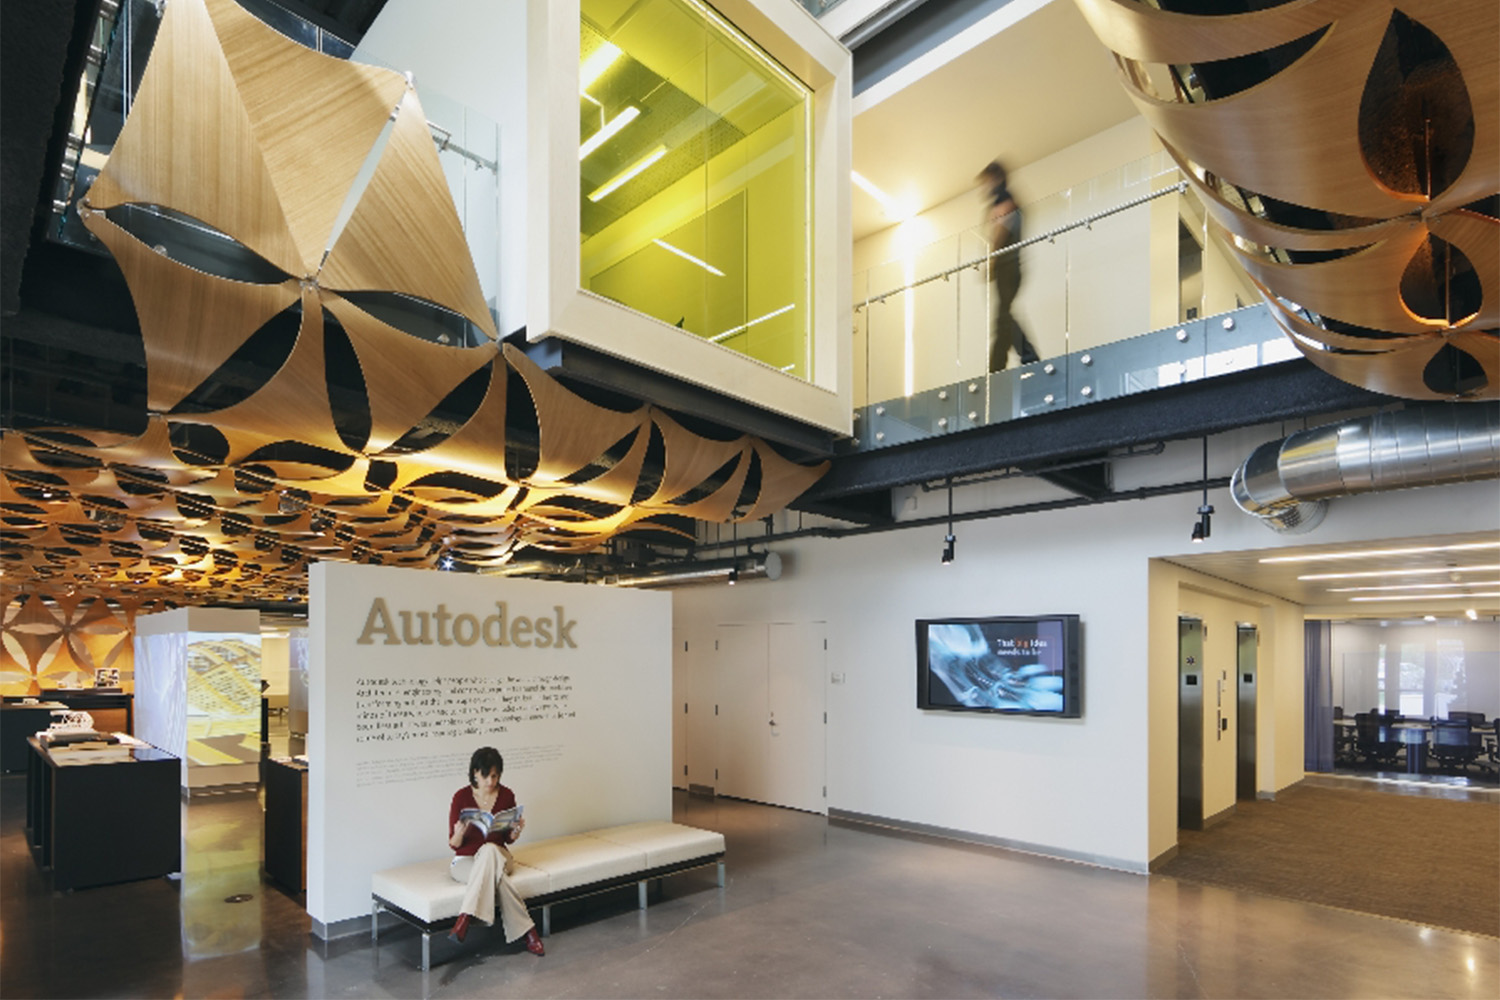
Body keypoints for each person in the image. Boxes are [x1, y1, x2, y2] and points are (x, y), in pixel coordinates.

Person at [446, 747, 545, 955]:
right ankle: (529, 932)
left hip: (499, 855)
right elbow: (454, 844)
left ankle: (465, 918)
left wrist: (515, 832)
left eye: (495, 775)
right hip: (466, 861)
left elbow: (508, 839)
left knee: (490, 849)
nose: (490, 781)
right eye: (485, 776)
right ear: (474, 773)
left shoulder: (506, 795)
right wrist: (459, 833)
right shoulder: (461, 797)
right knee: (498, 879)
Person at [980, 160, 1039, 371]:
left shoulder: (1004, 199)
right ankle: (1021, 358)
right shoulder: (1006, 200)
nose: (984, 187)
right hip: (1008, 266)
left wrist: (993, 260)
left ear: (996, 178)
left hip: (1008, 266)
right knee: (1003, 318)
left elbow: (1000, 232)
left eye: (986, 182)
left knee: (1002, 318)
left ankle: (999, 367)